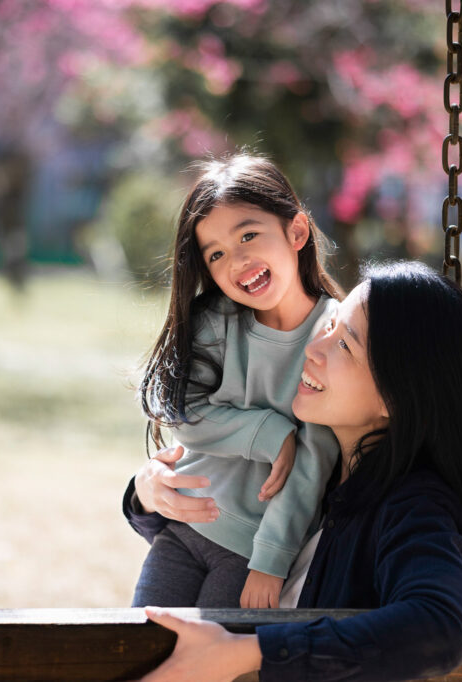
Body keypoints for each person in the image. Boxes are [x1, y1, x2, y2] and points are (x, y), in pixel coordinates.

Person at [124, 260, 462, 681]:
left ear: (397, 397)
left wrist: (246, 653)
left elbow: (440, 625)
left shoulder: (414, 508)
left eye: (345, 346)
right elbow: (209, 532)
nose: (313, 348)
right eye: (331, 325)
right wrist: (145, 493)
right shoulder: (320, 468)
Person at [133, 153, 344, 609]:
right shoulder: (216, 322)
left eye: (249, 234)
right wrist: (270, 434)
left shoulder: (332, 337)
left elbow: (313, 465)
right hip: (182, 528)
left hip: (248, 553)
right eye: (217, 253)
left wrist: (270, 562)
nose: (239, 259)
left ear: (297, 232)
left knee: (201, 666)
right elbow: (183, 412)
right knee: (137, 653)